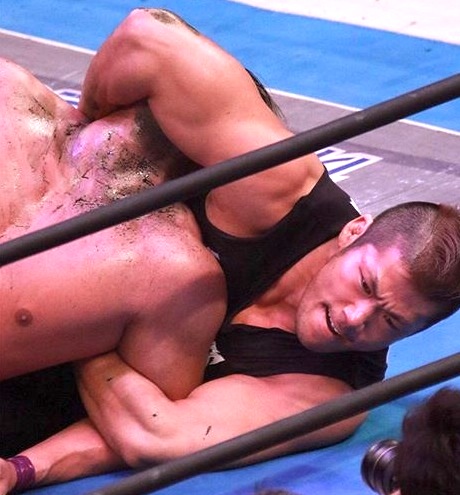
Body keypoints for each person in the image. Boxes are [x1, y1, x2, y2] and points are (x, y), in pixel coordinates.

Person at [1, 7, 460, 494]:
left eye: (391, 322)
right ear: (354, 231)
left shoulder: (325, 388)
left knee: (170, 276)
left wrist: (24, 467)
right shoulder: (278, 190)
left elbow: (157, 433)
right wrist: (87, 147)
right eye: (365, 284)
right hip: (48, 205)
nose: (354, 318)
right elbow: (148, 39)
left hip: (42, 361)